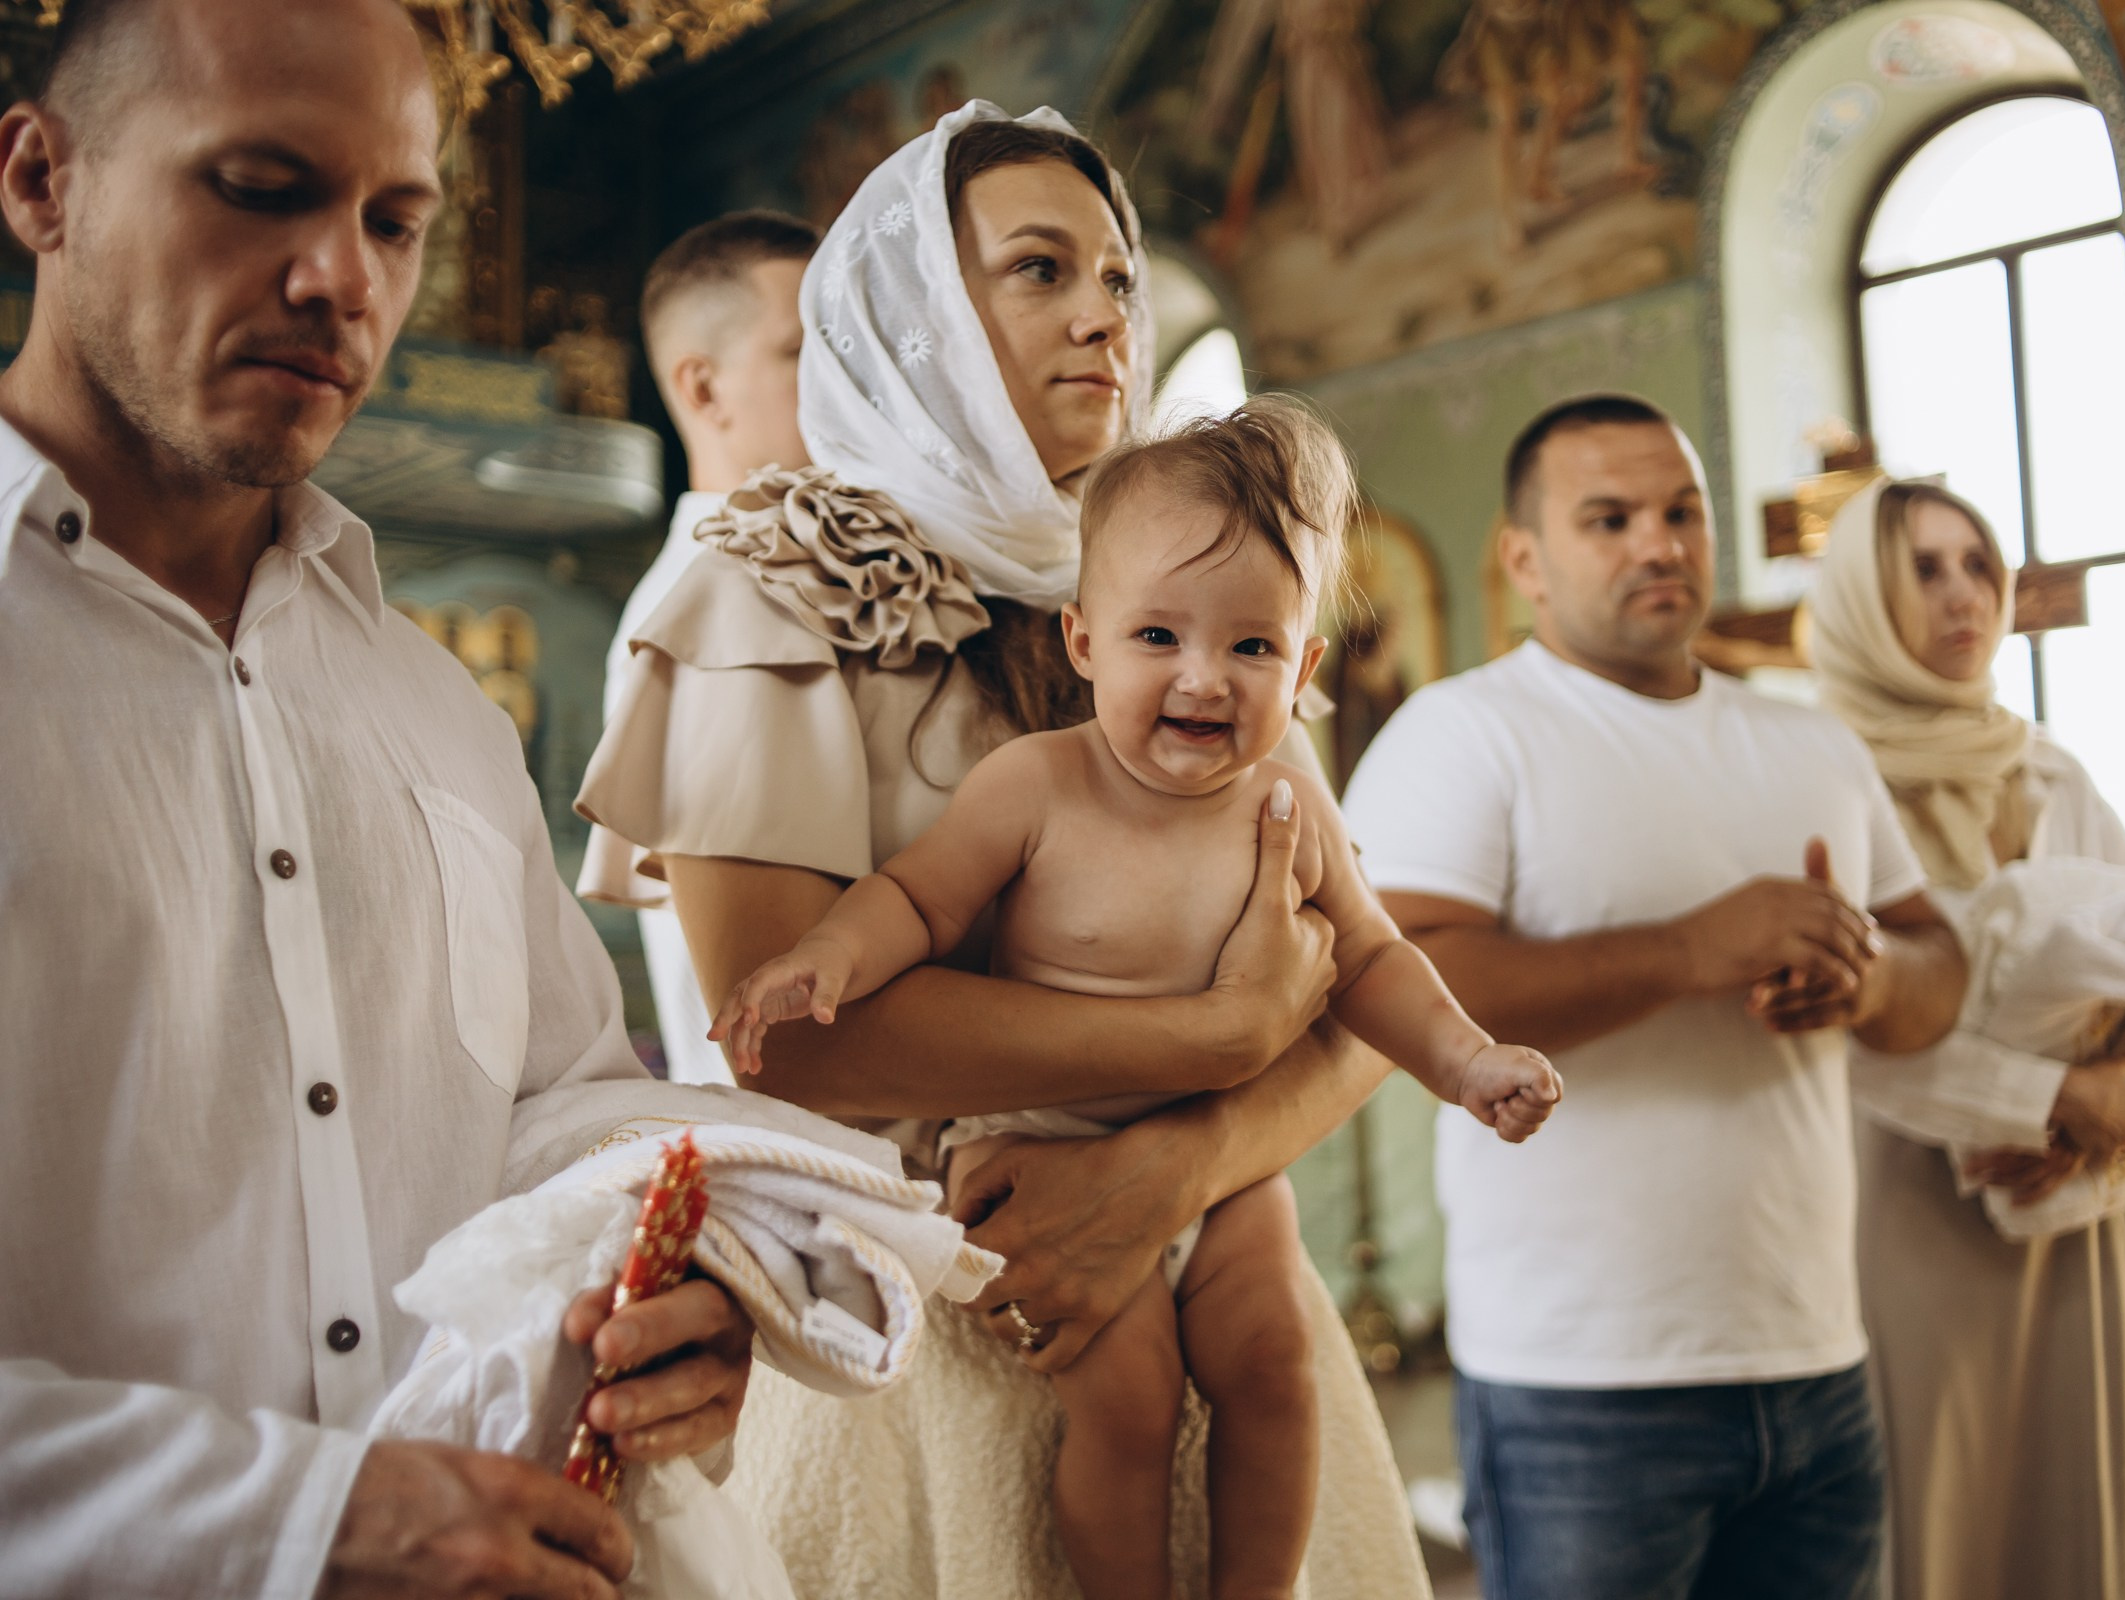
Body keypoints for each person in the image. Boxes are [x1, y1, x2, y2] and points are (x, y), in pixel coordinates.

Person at [575, 103, 1431, 1595]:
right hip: (919, 1336)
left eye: (1118, 277)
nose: (1105, 317)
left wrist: (1179, 1163)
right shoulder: (769, 588)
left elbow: (1359, 980)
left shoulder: (1184, 584)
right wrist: (1214, 1034)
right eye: (1040, 269)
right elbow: (789, 1039)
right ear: (913, 311)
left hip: (1226, 1314)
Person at [0, 3, 752, 1595]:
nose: (344, 280)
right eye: (260, 188)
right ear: (39, 182)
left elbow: (558, 1099)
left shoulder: (438, 712)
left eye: (397, 222)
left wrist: (684, 1283)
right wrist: (292, 1521)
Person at [711, 399, 1561, 1600]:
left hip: (1218, 1164)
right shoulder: (1035, 784)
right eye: (1158, 634)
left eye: (1252, 646)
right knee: (1133, 1399)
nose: (1203, 678)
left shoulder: (1289, 802)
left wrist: (1469, 1063)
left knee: (1276, 1366)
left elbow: (1373, 958)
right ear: (1083, 640)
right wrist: (828, 959)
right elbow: (916, 901)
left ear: (1305, 668)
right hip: (1039, 1145)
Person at [1341, 393, 1971, 1600]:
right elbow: (1400, 991)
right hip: (1579, 1379)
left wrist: (1867, 974)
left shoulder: (1814, 745)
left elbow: (1938, 973)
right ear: (1525, 558)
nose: (1660, 542)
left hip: (1815, 1352)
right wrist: (1691, 949)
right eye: (1611, 518)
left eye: (1683, 512)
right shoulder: (1460, 733)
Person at [1810, 476, 2125, 1600]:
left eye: (1979, 565)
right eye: (1925, 569)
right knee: (1935, 1491)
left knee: (2070, 1497)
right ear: (1861, 595)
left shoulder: (2048, 769)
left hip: (2073, 1190)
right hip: (1898, 1192)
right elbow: (1835, 1021)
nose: (1964, 595)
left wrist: (2115, 1093)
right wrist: (2043, 1101)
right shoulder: (1821, 773)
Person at [583, 209, 818, 1086]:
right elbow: (762, 995)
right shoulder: (704, 615)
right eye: (804, 352)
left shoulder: (806, 574)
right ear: (705, 389)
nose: (850, 382)